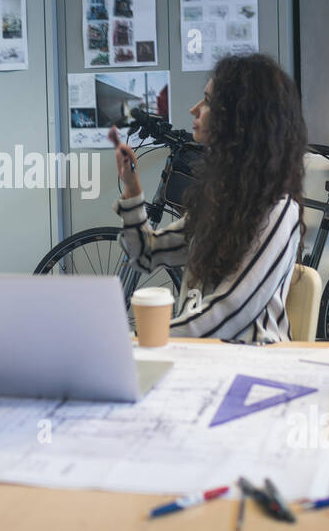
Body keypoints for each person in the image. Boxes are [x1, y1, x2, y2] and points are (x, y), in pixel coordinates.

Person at [111, 53, 306, 343]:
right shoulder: (222, 200)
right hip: (200, 355)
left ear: (240, 120)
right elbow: (146, 253)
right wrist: (132, 191)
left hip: (253, 365)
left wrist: (143, 339)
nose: (194, 110)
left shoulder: (278, 208)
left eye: (208, 103)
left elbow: (229, 314)